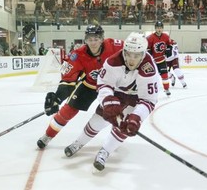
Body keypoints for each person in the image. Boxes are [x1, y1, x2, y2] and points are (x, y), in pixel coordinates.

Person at [63, 31, 160, 171]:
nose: (132, 59)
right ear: (124, 51)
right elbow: (103, 85)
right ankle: (78, 142)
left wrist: (136, 118)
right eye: (129, 54)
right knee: (97, 120)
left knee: (124, 127)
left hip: (137, 97)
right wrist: (108, 101)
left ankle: (105, 151)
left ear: (143, 54)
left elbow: (149, 100)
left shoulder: (149, 68)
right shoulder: (113, 61)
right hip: (117, 93)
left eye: (137, 55)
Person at [37, 24, 124, 149]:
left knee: (117, 112)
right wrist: (57, 98)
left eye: (96, 39)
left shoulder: (114, 45)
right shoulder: (76, 55)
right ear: (85, 40)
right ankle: (48, 135)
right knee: (67, 111)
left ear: (102, 39)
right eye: (89, 39)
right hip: (90, 85)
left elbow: (133, 54)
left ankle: (114, 142)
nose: (93, 42)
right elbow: (68, 80)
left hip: (112, 86)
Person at [147, 21, 172, 96]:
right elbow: (148, 49)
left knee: (164, 75)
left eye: (160, 28)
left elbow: (169, 45)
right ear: (155, 28)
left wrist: (168, 50)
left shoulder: (166, 36)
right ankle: (148, 90)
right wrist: (150, 53)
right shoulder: (150, 37)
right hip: (152, 61)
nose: (159, 29)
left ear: (163, 28)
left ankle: (166, 89)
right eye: (158, 28)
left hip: (161, 60)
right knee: (150, 76)